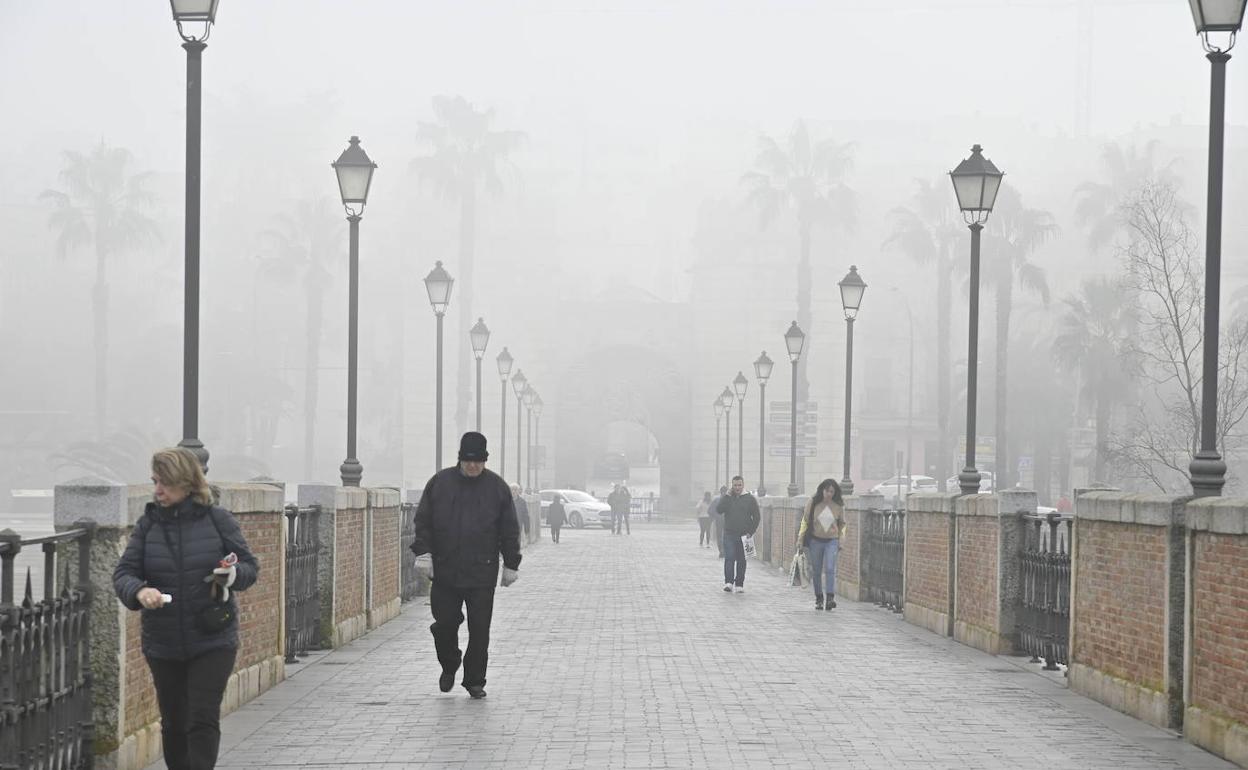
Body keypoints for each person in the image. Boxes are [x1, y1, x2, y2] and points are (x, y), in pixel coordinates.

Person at [113, 448, 260, 770]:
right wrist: (140, 591)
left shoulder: (218, 520)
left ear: (186, 482)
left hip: (212, 637)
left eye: (164, 483)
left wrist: (231, 575)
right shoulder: (148, 525)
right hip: (162, 641)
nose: (157, 491)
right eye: (155, 482)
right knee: (174, 722)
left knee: (201, 717)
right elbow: (124, 573)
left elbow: (249, 567)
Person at [411, 432, 521, 699]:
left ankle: (474, 681)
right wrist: (423, 552)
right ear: (460, 459)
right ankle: (450, 663)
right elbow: (423, 520)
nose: (473, 466)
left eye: (478, 462)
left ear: (485, 461)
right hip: (446, 570)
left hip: (482, 571)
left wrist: (511, 563)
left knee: (480, 629)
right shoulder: (440, 483)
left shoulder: (497, 488)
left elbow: (509, 528)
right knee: (445, 624)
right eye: (468, 461)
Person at [798, 478, 846, 610]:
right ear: (822, 490)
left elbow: (842, 524)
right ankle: (819, 597)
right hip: (815, 540)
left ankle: (830, 598)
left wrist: (841, 539)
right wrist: (800, 539)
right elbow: (805, 521)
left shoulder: (838, 505)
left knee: (830, 568)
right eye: (827, 491)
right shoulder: (813, 502)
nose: (829, 494)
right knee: (817, 570)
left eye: (832, 491)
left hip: (832, 540)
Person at [718, 475, 760, 593]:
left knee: (741, 560)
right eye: (735, 485)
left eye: (739, 485)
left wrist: (750, 531)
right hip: (729, 533)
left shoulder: (750, 499)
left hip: (744, 535)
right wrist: (726, 496)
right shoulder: (728, 498)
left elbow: (756, 517)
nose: (737, 487)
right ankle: (729, 582)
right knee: (729, 558)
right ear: (732, 485)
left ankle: (739, 584)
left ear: (743, 485)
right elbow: (719, 510)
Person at [709, 485, 727, 557]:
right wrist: (716, 516)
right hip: (719, 520)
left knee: (725, 536)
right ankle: (721, 551)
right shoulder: (717, 500)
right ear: (721, 492)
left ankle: (723, 550)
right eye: (724, 492)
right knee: (720, 536)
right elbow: (710, 510)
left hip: (727, 521)